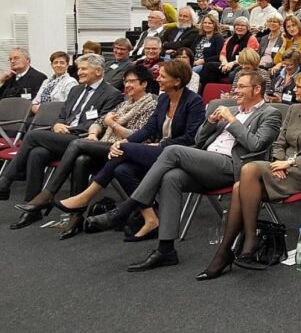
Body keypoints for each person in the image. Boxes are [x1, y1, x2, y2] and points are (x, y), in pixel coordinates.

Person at [88, 71, 282, 272]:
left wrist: (232, 121)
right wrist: (211, 122)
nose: (236, 91)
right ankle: (166, 249)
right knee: (171, 177)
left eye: (241, 86)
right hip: (206, 161)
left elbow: (256, 145)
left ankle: (127, 208)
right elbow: (198, 140)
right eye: (236, 86)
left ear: (257, 89)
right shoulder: (229, 109)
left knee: (172, 151)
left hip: (232, 167)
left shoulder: (270, 113)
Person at [197, 70, 301, 277]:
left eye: (299, 87)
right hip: (279, 168)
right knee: (238, 187)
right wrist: (277, 163)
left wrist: (289, 163)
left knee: (249, 168)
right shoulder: (293, 110)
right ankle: (225, 251)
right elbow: (279, 143)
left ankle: (249, 239)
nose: (294, 90)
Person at [58, 61, 205, 234]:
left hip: (179, 153)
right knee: (122, 170)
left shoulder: (194, 101)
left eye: (163, 76)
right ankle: (151, 219)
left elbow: (190, 138)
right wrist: (123, 143)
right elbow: (149, 129)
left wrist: (159, 144)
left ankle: (86, 196)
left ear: (177, 81)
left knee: (121, 150)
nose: (158, 79)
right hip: (158, 150)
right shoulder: (164, 99)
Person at [18, 66, 157, 239]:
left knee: (76, 144)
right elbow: (99, 121)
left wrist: (112, 124)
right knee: (81, 159)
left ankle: (48, 193)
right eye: (125, 81)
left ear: (144, 83)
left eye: (131, 81)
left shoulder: (152, 103)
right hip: (106, 145)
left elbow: (137, 136)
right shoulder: (126, 101)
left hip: (127, 149)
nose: (127, 85)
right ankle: (75, 216)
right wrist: (93, 133)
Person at [0, 54, 124, 214]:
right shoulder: (75, 90)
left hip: (85, 139)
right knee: (38, 153)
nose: (79, 72)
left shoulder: (112, 93)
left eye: (84, 69)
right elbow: (63, 116)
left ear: (99, 71)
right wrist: (57, 124)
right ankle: (32, 208)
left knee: (32, 136)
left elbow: (100, 122)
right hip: (63, 137)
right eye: (79, 68)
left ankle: (6, 180)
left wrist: (70, 129)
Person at [198, 16, 258, 92]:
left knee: (210, 66)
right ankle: (208, 94)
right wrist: (224, 63)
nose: (239, 27)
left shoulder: (252, 39)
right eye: (237, 25)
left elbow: (249, 57)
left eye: (242, 25)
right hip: (226, 64)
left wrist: (231, 64)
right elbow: (222, 54)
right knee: (211, 71)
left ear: (247, 28)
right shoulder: (230, 39)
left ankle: (202, 91)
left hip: (240, 65)